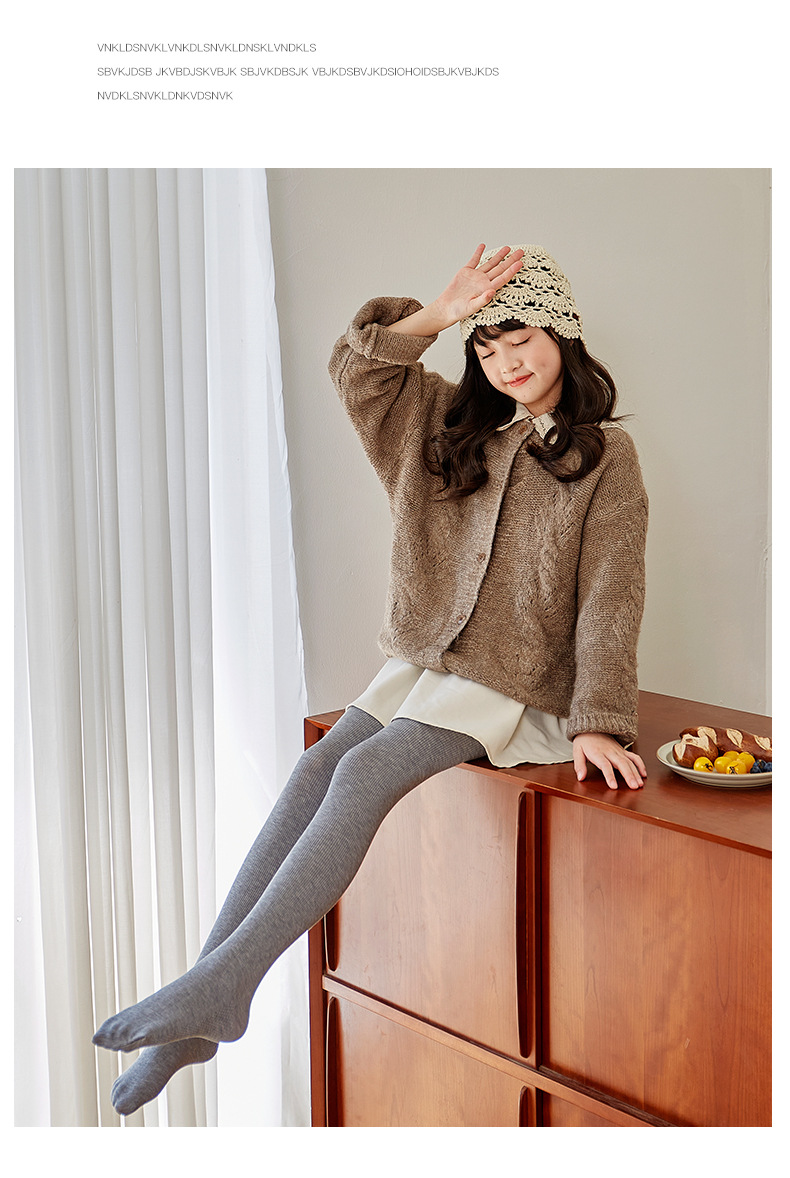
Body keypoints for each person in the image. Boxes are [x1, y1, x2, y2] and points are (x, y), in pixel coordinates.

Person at [93, 243, 649, 1116]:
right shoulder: (445, 428)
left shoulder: (606, 457)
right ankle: (201, 1008)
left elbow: (613, 592)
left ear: (562, 335)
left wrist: (600, 717)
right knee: (316, 767)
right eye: (487, 346)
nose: (506, 362)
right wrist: (438, 313)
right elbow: (356, 371)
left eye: (522, 340)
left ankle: (221, 988)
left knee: (362, 770)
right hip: (420, 666)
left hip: (512, 683)